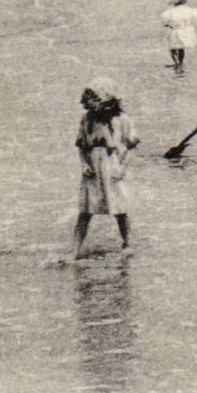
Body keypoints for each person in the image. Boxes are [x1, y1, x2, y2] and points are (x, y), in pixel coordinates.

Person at [72, 78, 139, 258]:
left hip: (112, 166)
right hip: (93, 168)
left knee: (120, 209)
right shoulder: (87, 119)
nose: (89, 104)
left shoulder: (122, 119)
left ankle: (127, 243)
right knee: (85, 210)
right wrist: (84, 164)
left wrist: (123, 168)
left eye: (94, 99)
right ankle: (75, 248)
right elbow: (81, 145)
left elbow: (132, 146)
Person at [161, 0, 197, 74]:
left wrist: (169, 25)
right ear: (185, 0)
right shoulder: (190, 10)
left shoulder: (169, 12)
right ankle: (181, 62)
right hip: (186, 31)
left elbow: (165, 22)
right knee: (181, 49)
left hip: (175, 31)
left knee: (173, 48)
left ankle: (176, 62)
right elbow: (194, 19)